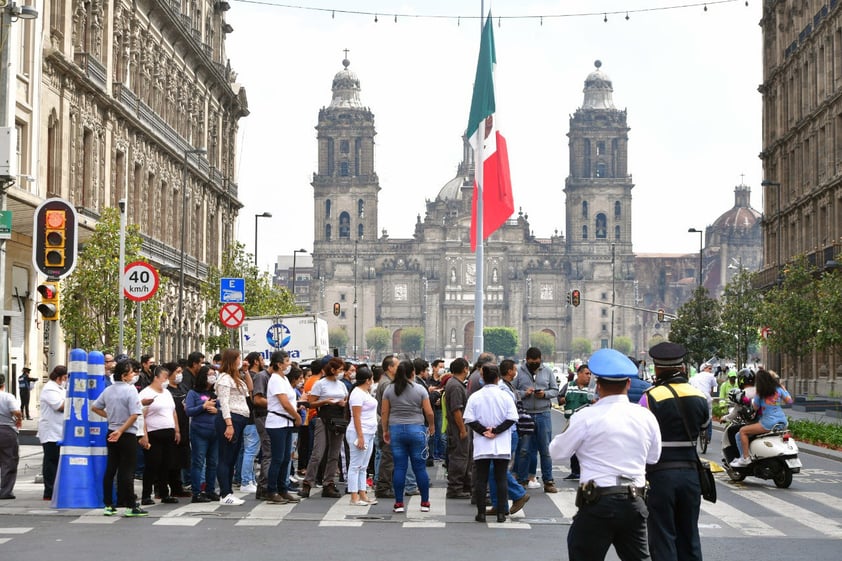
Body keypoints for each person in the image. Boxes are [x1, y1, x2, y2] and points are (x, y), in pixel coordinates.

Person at [550, 349, 662, 561]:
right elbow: (654, 458)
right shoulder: (646, 417)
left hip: (597, 503)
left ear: (598, 386)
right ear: (628, 384)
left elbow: (556, 452)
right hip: (634, 501)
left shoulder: (585, 416)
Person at [640, 342, 709, 561]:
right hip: (690, 475)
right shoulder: (699, 396)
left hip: (660, 475)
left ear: (657, 368)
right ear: (682, 367)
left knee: (663, 537)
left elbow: (642, 436)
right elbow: (705, 426)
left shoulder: (650, 397)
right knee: (689, 536)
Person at [91, 360, 147, 516]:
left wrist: (110, 417)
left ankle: (108, 504)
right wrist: (122, 430)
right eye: (131, 373)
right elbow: (135, 414)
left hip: (111, 431)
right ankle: (130, 505)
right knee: (127, 470)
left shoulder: (109, 390)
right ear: (124, 375)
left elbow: (95, 407)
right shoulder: (130, 391)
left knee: (111, 468)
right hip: (126, 433)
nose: (134, 375)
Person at [464, 364, 519, 523]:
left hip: (482, 443)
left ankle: (481, 513)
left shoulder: (475, 396)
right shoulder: (505, 396)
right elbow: (512, 418)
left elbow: (469, 419)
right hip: (501, 443)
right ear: (498, 378)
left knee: (481, 479)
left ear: (483, 378)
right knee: (501, 478)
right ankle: (501, 514)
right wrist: (496, 431)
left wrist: (483, 431)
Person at [381, 359, 434, 514]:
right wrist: (431, 426)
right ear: (413, 372)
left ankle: (399, 503)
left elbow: (384, 412)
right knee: (419, 468)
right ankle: (425, 502)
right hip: (417, 429)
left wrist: (385, 430)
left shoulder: (389, 390)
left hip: (396, 429)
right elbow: (429, 412)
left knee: (399, 467)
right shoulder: (420, 389)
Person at [299, 357, 348, 499]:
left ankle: (329, 483)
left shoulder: (341, 385)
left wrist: (343, 403)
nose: (341, 372)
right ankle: (308, 482)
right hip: (323, 418)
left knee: (334, 453)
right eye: (340, 369)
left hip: (338, 419)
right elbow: (311, 403)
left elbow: (346, 399)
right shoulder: (321, 384)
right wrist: (326, 401)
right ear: (332, 370)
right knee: (318, 452)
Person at [486, 359, 530, 516]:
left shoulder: (504, 388)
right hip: (504, 433)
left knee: (497, 468)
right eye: (514, 368)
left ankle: (518, 494)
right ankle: (499, 504)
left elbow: (508, 414)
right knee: (493, 469)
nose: (516, 370)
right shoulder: (505, 387)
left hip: (506, 433)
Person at [513, 347, 559, 493]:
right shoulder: (519, 372)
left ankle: (548, 481)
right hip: (526, 415)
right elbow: (512, 391)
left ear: (540, 359)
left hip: (543, 414)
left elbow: (555, 390)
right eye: (531, 362)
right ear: (526, 359)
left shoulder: (547, 371)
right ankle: (522, 480)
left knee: (545, 449)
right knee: (524, 450)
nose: (534, 364)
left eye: (536, 362)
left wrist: (544, 394)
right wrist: (524, 393)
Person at [730, 369, 793, 467]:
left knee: (742, 432)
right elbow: (789, 401)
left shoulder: (760, 393)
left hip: (768, 423)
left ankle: (745, 458)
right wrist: (784, 390)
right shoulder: (778, 389)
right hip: (782, 421)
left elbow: (755, 407)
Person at [138, 366, 181, 505]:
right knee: (152, 464)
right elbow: (141, 416)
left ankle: (164, 493)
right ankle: (146, 495)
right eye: (164, 378)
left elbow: (173, 412)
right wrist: (144, 435)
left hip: (168, 431)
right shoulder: (146, 393)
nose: (166, 381)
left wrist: (177, 430)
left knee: (165, 464)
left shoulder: (167, 393)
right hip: (153, 433)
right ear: (156, 377)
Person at [214, 348, 251, 506]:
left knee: (233, 457)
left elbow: (249, 389)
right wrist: (229, 424)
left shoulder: (236, 377)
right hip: (231, 419)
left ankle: (228, 491)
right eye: (238, 358)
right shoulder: (224, 379)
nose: (240, 360)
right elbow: (224, 402)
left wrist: (246, 371)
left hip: (240, 418)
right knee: (226, 457)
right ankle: (225, 492)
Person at [265, 349, 302, 504]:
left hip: (286, 422)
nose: (289, 364)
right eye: (286, 362)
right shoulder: (275, 379)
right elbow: (284, 402)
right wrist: (297, 416)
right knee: (278, 458)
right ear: (279, 364)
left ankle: (283, 488)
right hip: (277, 423)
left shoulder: (284, 379)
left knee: (287, 458)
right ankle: (272, 490)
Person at [185, 365, 219, 502]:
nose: (212, 377)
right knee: (198, 462)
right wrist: (203, 406)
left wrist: (218, 411)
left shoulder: (215, 394)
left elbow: (223, 409)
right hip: (199, 431)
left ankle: (210, 490)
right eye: (210, 374)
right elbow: (189, 411)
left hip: (215, 432)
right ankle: (196, 492)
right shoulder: (193, 393)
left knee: (213, 463)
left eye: (213, 374)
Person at [346, 366, 377, 506]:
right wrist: (360, 436)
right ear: (368, 380)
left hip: (369, 432)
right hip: (360, 432)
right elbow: (356, 416)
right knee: (355, 465)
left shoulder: (365, 392)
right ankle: (354, 496)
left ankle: (362, 493)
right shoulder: (357, 393)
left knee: (363, 466)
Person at [37, 365, 67, 500]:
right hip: (50, 432)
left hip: (59, 430)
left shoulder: (59, 388)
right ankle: (49, 492)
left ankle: (56, 489)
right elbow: (59, 406)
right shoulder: (50, 388)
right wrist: (73, 398)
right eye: (65, 377)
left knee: (57, 461)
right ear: (59, 377)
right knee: (51, 462)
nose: (66, 380)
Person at [443, 357, 472, 499]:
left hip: (457, 426)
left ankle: (463, 484)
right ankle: (455, 487)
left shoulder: (455, 383)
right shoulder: (455, 386)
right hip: (457, 427)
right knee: (459, 457)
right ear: (465, 369)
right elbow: (456, 410)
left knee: (462, 456)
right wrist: (462, 429)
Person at [561, 363, 593, 480]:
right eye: (586, 374)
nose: (589, 376)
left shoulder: (592, 388)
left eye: (590, 374)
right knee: (573, 447)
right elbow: (560, 398)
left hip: (588, 423)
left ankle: (585, 472)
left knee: (586, 448)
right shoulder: (569, 386)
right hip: (571, 422)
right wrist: (566, 399)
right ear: (579, 374)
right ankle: (575, 472)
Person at [164, 362, 191, 496]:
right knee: (169, 458)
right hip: (170, 427)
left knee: (180, 458)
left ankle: (177, 487)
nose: (180, 375)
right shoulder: (165, 390)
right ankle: (162, 487)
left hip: (185, 426)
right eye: (178, 372)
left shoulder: (183, 387)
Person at [0, 374, 22, 500]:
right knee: (9, 461)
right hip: (6, 431)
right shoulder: (7, 397)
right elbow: (16, 411)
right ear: (3, 384)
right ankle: (5, 491)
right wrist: (18, 419)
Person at [690, 363, 718, 444]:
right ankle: (708, 437)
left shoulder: (693, 377)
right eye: (709, 368)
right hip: (706, 397)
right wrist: (712, 395)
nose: (710, 370)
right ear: (704, 369)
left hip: (694, 398)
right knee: (709, 417)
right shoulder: (711, 376)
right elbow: (715, 387)